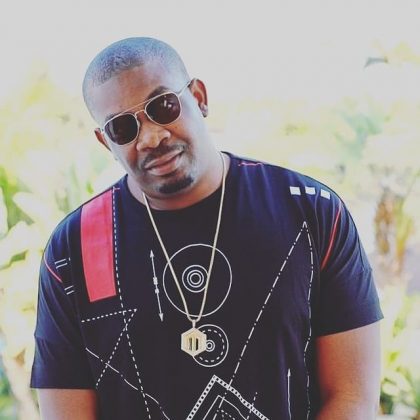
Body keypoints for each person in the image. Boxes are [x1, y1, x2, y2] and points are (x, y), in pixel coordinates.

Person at [31, 37, 383, 419]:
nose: (151, 137)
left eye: (163, 106)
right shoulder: (73, 250)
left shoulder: (310, 210)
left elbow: (351, 396)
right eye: (122, 128)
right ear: (105, 142)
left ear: (199, 97)